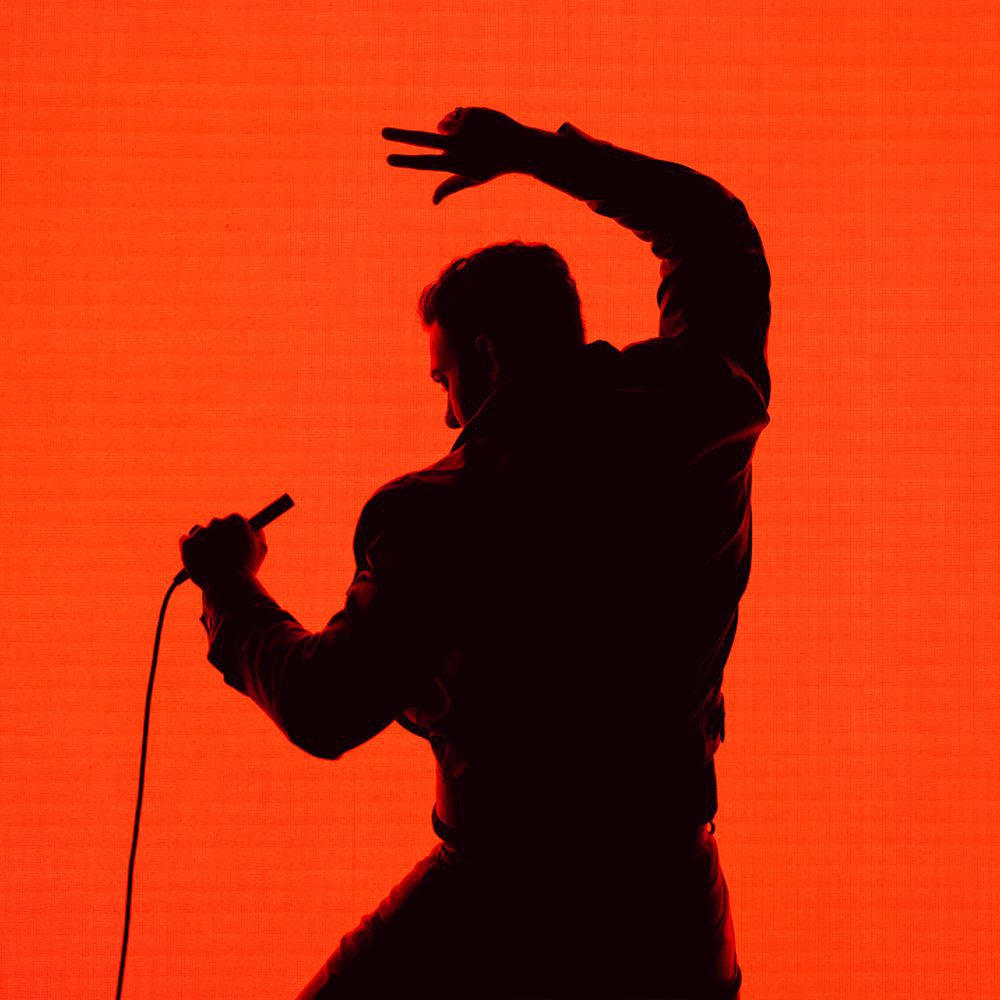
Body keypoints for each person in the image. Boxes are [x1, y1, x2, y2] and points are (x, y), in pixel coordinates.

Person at [180, 106, 771, 999]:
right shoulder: (709, 407)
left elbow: (324, 705)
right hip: (671, 910)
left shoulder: (440, 512)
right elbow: (712, 229)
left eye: (445, 380)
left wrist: (231, 590)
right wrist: (534, 154)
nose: (447, 414)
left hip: (498, 903)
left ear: (487, 357)